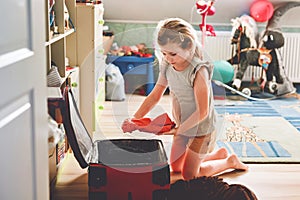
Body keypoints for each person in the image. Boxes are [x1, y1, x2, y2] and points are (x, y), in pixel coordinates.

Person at [125, 18, 248, 180]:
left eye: (172, 54)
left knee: (190, 175)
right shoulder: (168, 64)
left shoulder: (199, 70)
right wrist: (135, 119)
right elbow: (155, 94)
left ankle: (229, 162)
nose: (168, 58)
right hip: (182, 124)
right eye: (164, 53)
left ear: (188, 46)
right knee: (176, 167)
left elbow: (202, 112)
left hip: (201, 128)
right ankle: (218, 154)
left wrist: (179, 130)